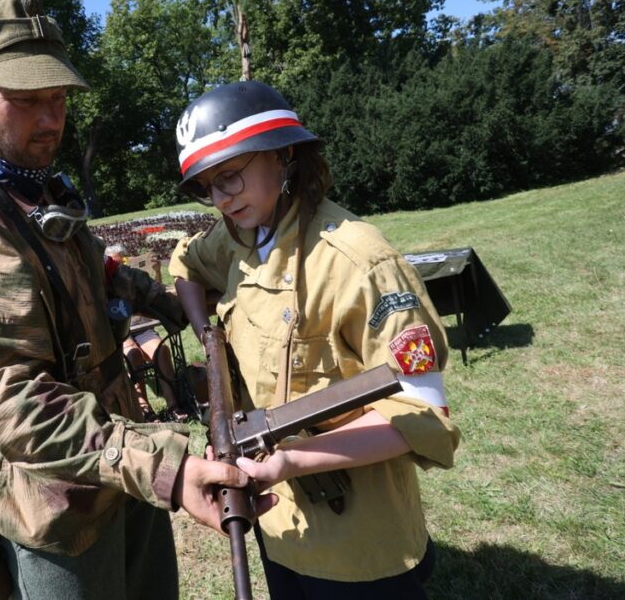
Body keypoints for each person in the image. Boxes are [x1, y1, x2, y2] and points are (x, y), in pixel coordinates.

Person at [0, 0, 272, 599]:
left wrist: (168, 303)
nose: (52, 119)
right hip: (55, 507)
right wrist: (168, 466)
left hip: (124, 470)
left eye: (58, 98)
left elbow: (94, 273)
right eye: (27, 101)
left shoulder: (39, 191)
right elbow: (10, 397)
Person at [168, 80, 461, 599]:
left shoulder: (358, 261)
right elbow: (186, 263)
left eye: (230, 175)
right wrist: (205, 333)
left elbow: (423, 412)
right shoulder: (239, 238)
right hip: (279, 524)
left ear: (282, 155)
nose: (220, 198)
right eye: (206, 186)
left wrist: (293, 461)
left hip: (359, 543)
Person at [103, 244, 188, 422]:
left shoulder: (132, 276)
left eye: (122, 260)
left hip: (144, 327)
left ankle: (173, 404)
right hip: (124, 331)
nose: (119, 265)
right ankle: (144, 408)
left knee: (161, 350)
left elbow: (155, 291)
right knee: (133, 356)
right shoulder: (105, 281)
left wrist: (156, 271)